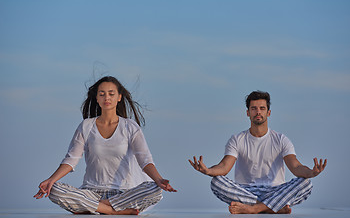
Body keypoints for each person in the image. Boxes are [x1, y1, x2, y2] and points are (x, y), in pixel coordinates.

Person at [34, 76, 176, 215]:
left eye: (111, 94)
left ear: (119, 97)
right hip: (90, 192)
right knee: (54, 190)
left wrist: (159, 179)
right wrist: (51, 180)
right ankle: (111, 211)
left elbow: (144, 160)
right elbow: (71, 160)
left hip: (122, 194)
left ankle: (93, 208)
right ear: (97, 98)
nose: (106, 97)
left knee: (155, 190)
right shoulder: (86, 126)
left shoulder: (130, 127)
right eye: (102, 94)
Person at [189, 91, 326, 214]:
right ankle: (272, 208)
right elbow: (224, 167)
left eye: (262, 108)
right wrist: (207, 171)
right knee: (216, 182)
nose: (258, 112)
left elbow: (296, 167)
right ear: (248, 113)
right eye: (253, 108)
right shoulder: (237, 139)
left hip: (275, 191)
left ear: (268, 112)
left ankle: (254, 209)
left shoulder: (281, 139)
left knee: (306, 183)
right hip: (246, 192)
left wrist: (311, 173)